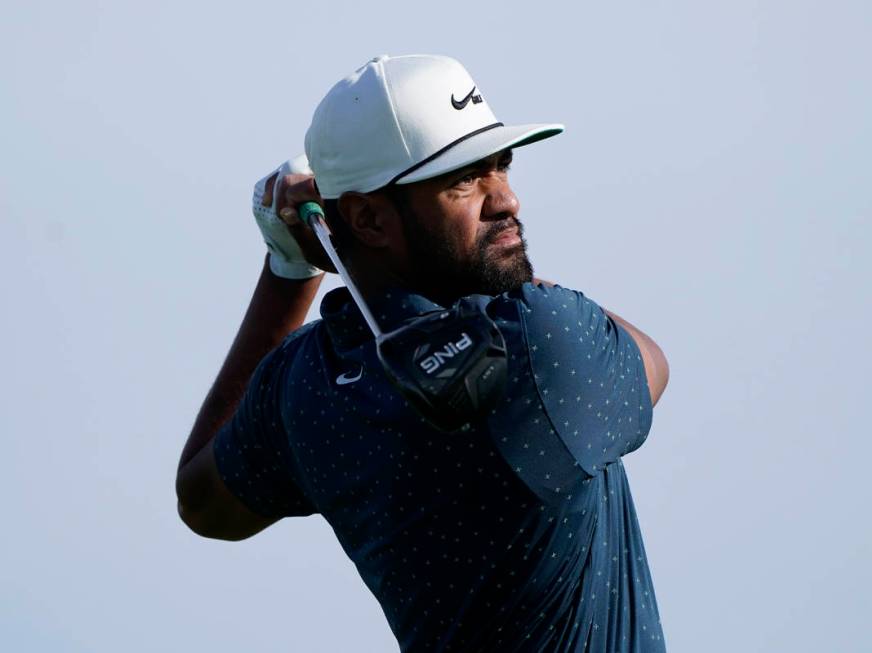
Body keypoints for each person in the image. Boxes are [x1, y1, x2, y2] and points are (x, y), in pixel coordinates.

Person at [176, 54, 669, 652]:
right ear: (368, 219)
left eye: (500, 166)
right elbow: (653, 361)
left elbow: (204, 503)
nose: (506, 200)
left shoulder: (308, 384)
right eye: (465, 179)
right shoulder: (543, 338)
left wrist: (289, 266)